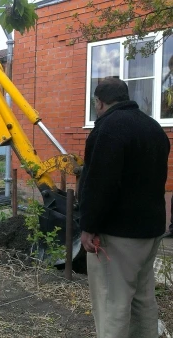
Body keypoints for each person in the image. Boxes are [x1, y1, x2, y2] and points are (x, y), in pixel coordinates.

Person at [78, 77, 170, 338]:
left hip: (118, 237)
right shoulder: (153, 128)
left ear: (99, 102)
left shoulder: (108, 129)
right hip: (150, 232)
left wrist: (88, 227)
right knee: (143, 299)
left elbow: (99, 184)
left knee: (112, 305)